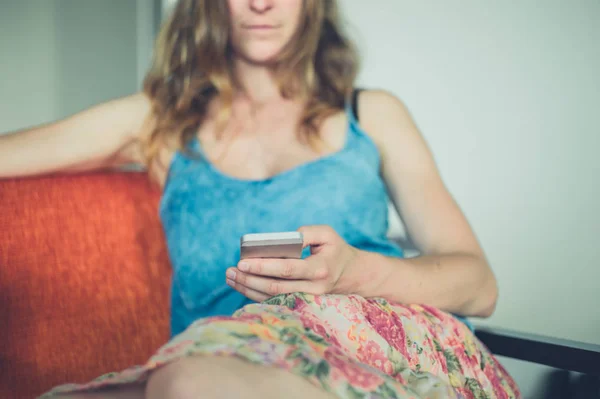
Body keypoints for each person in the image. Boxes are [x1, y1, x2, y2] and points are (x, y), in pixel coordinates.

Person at [1, 0, 520, 398]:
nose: (262, 2)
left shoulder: (372, 113)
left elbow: (479, 285)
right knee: (176, 384)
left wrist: (355, 273)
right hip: (227, 363)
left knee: (187, 385)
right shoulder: (162, 120)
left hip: (380, 342)